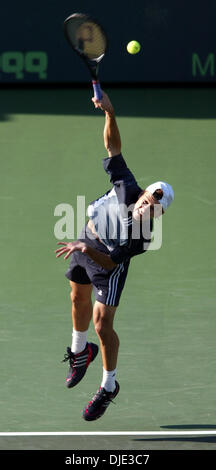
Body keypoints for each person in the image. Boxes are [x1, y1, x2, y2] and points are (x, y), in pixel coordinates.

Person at [55, 91, 174, 421]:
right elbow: (113, 148)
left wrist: (84, 248)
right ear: (144, 194)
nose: (147, 207)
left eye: (155, 209)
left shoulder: (142, 239)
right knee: (77, 298)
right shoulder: (127, 186)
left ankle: (109, 386)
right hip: (86, 238)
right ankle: (81, 352)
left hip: (107, 262)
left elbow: (109, 263)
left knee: (102, 324)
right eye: (148, 199)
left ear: (158, 216)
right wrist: (110, 112)